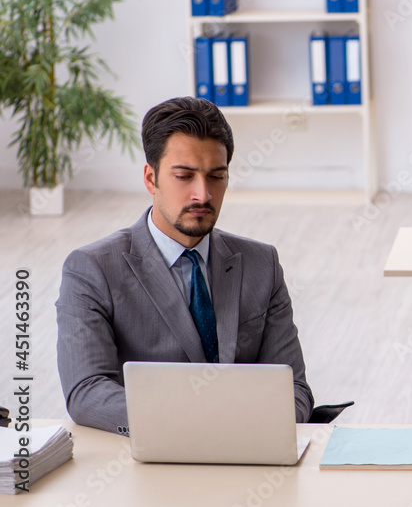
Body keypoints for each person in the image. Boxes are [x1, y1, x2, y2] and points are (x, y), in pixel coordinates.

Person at [56, 97, 314, 434]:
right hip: (152, 457)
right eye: (184, 176)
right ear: (151, 179)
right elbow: (87, 391)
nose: (203, 195)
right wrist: (196, 424)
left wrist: (251, 430)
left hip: (250, 451)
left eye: (216, 177)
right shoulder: (92, 269)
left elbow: (295, 390)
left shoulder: (261, 264)